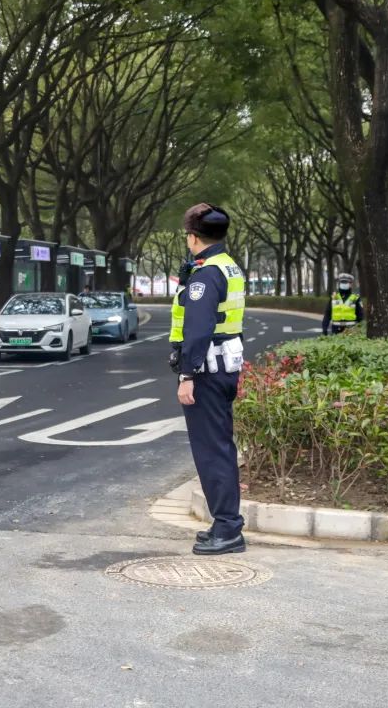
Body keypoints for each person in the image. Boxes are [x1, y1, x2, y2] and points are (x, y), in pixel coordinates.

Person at [169, 203, 247, 556]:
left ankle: (228, 529)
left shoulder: (206, 275)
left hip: (207, 372)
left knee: (211, 450)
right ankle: (225, 524)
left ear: (192, 237)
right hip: (225, 367)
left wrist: (187, 375)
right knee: (221, 446)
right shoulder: (228, 266)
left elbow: (198, 330)